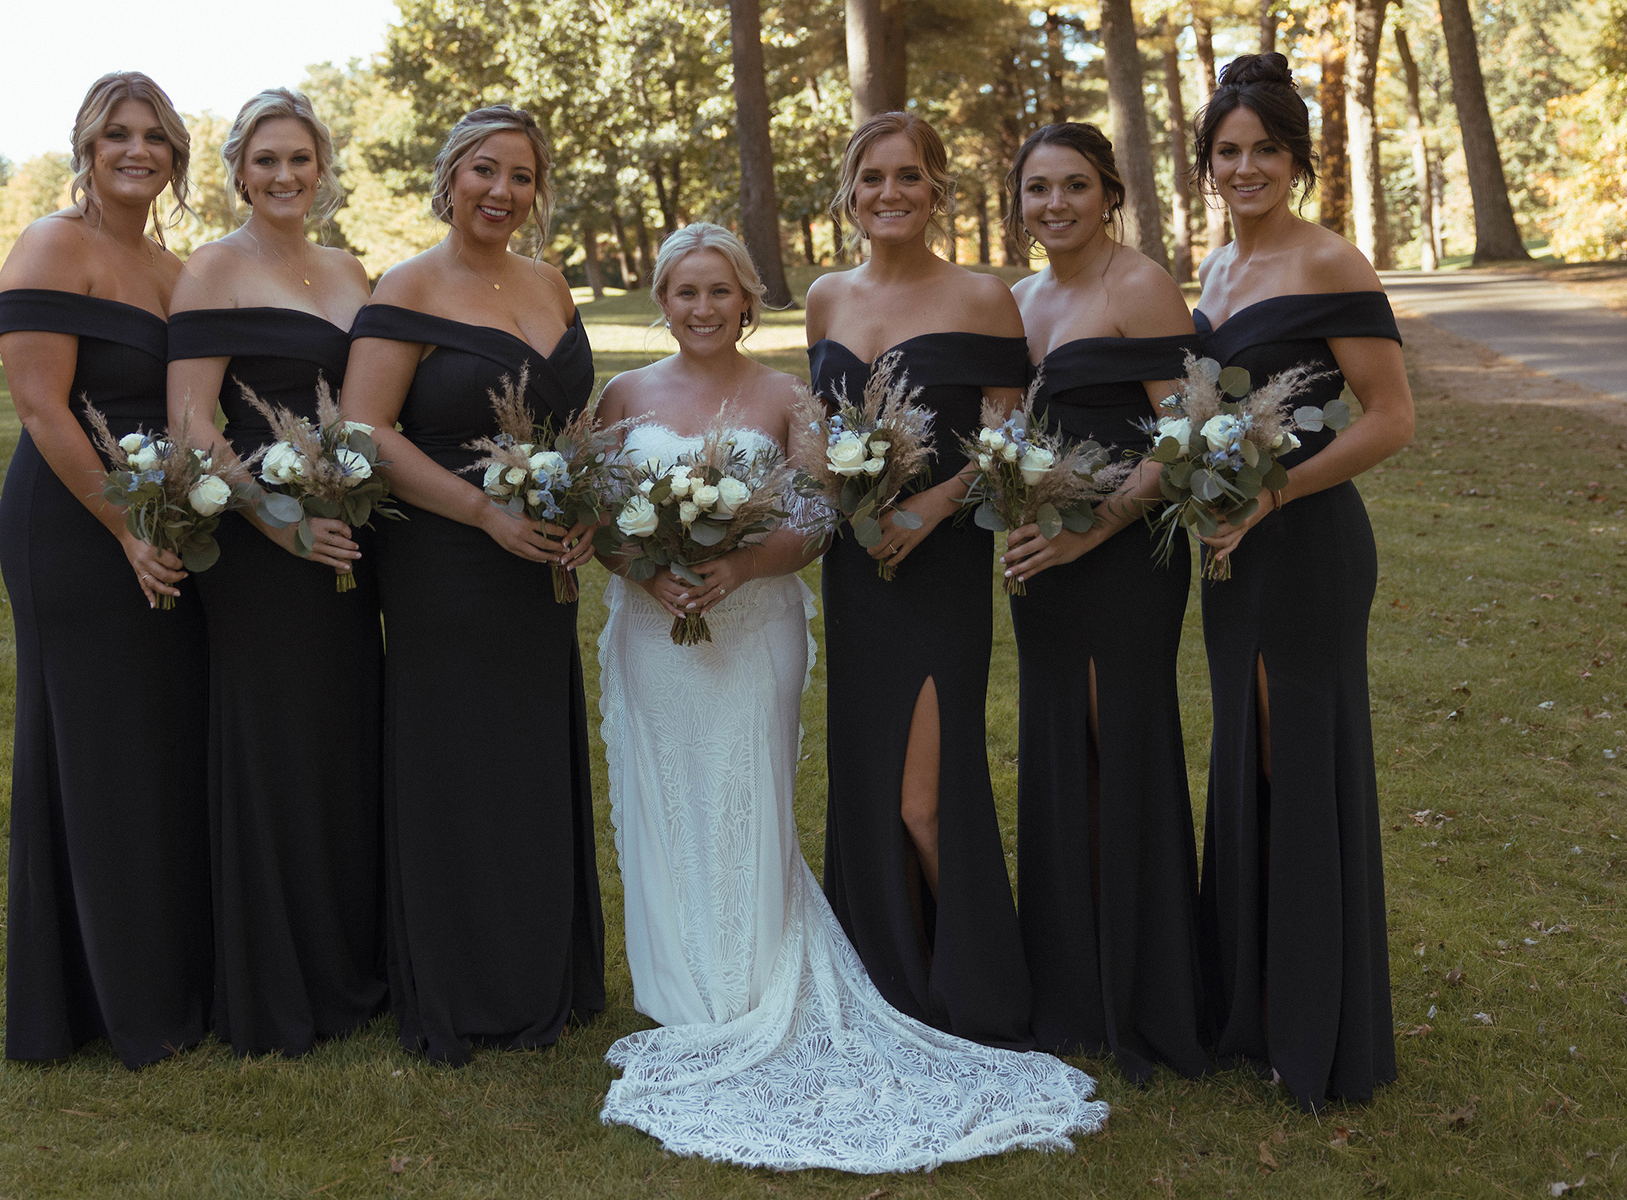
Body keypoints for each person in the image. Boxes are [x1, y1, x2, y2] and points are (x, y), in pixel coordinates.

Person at [596, 224, 1108, 1172]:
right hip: (652, 628)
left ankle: (756, 979)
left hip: (753, 621)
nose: (703, 308)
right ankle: (680, 988)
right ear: (661, 302)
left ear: (749, 301)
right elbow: (597, 514)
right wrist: (647, 567)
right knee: (661, 791)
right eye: (685, 292)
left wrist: (738, 565)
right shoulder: (622, 396)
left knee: (749, 790)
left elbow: (815, 514)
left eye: (720, 291)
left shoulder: (786, 397)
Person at [340, 106, 603, 1065]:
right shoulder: (407, 284)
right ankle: (459, 984)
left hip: (541, 562)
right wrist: (484, 513)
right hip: (444, 558)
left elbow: (570, 424)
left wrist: (583, 505)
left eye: (521, 176)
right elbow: (365, 430)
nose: (502, 191)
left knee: (529, 757)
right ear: (450, 176)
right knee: (457, 761)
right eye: (484, 170)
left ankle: (540, 973)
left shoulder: (550, 282)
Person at [1190, 52, 1414, 1111]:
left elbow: (1391, 418)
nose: (1246, 169)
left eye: (1266, 151)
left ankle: (1317, 1024)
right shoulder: (1213, 271)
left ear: (1297, 161)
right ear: (1207, 164)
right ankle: (1258, 1002)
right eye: (1228, 152)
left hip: (1308, 542)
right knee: (1250, 754)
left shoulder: (1331, 261)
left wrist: (1276, 494)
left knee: (1298, 758)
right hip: (1232, 551)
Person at [0, 71, 211, 1068]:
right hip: (75, 524)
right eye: (117, 133)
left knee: (158, 743)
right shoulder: (53, 245)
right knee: (95, 749)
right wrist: (126, 528)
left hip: (163, 520)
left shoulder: (175, 267)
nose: (137, 150)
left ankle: (171, 974)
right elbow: (42, 407)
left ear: (175, 156)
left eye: (155, 136)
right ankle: (105, 1000)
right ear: (86, 147)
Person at [805, 111, 1033, 1046]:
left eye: (908, 176)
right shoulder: (826, 297)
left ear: (937, 188)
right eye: (872, 178)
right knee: (869, 785)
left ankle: (984, 993)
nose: (889, 193)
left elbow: (1010, 440)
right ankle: (886, 983)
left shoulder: (983, 298)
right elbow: (819, 432)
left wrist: (932, 507)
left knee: (924, 801)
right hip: (857, 571)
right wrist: (844, 498)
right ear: (850, 193)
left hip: (940, 571)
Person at [165, 88, 383, 1058]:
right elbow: (191, 422)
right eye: (267, 161)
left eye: (300, 158)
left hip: (350, 533)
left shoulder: (348, 269)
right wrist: (278, 521)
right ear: (239, 173)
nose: (285, 175)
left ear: (321, 167)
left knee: (344, 743)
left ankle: (352, 966)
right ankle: (277, 984)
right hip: (261, 548)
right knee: (277, 750)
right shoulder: (214, 269)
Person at [1002, 123, 1213, 1085]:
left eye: (1075, 186)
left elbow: (1185, 433)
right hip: (1040, 563)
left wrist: (1094, 528)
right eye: (1038, 188)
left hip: (1124, 557)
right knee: (1059, 748)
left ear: (1109, 194)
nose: (1056, 204)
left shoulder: (1140, 285)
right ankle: (1069, 994)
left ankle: (1146, 999)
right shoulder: (1018, 301)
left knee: (1120, 743)